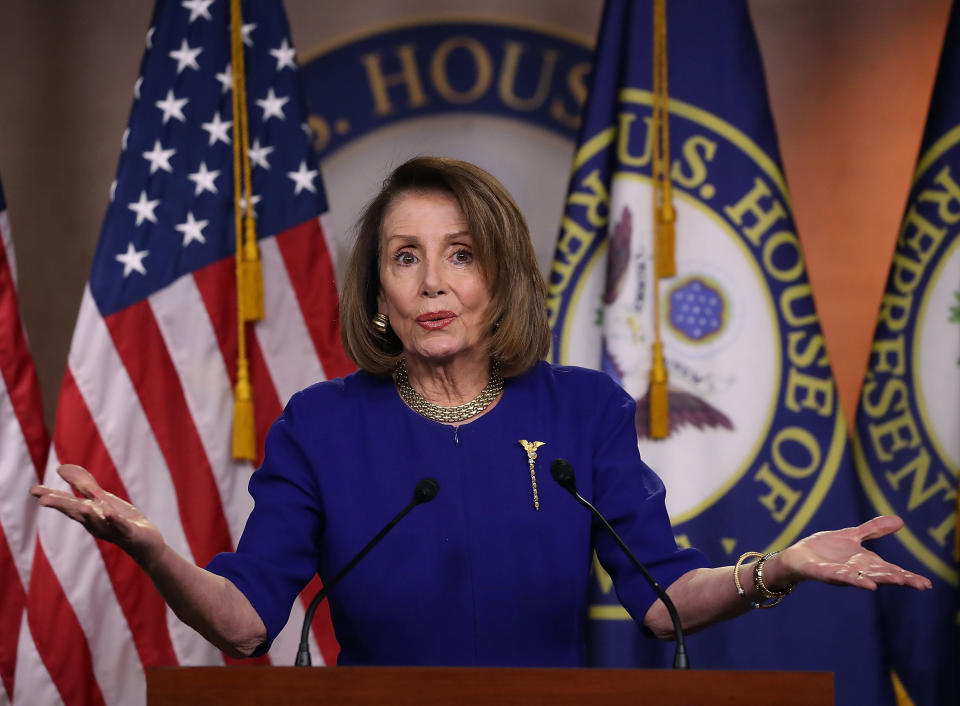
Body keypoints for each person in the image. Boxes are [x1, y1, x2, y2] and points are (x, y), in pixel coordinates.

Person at [32, 156, 931, 666]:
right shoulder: (321, 424)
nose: (433, 282)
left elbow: (662, 601)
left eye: (460, 255)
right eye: (405, 258)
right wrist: (149, 548)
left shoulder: (582, 411)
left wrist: (777, 568)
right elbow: (245, 621)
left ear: (497, 281)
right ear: (378, 293)